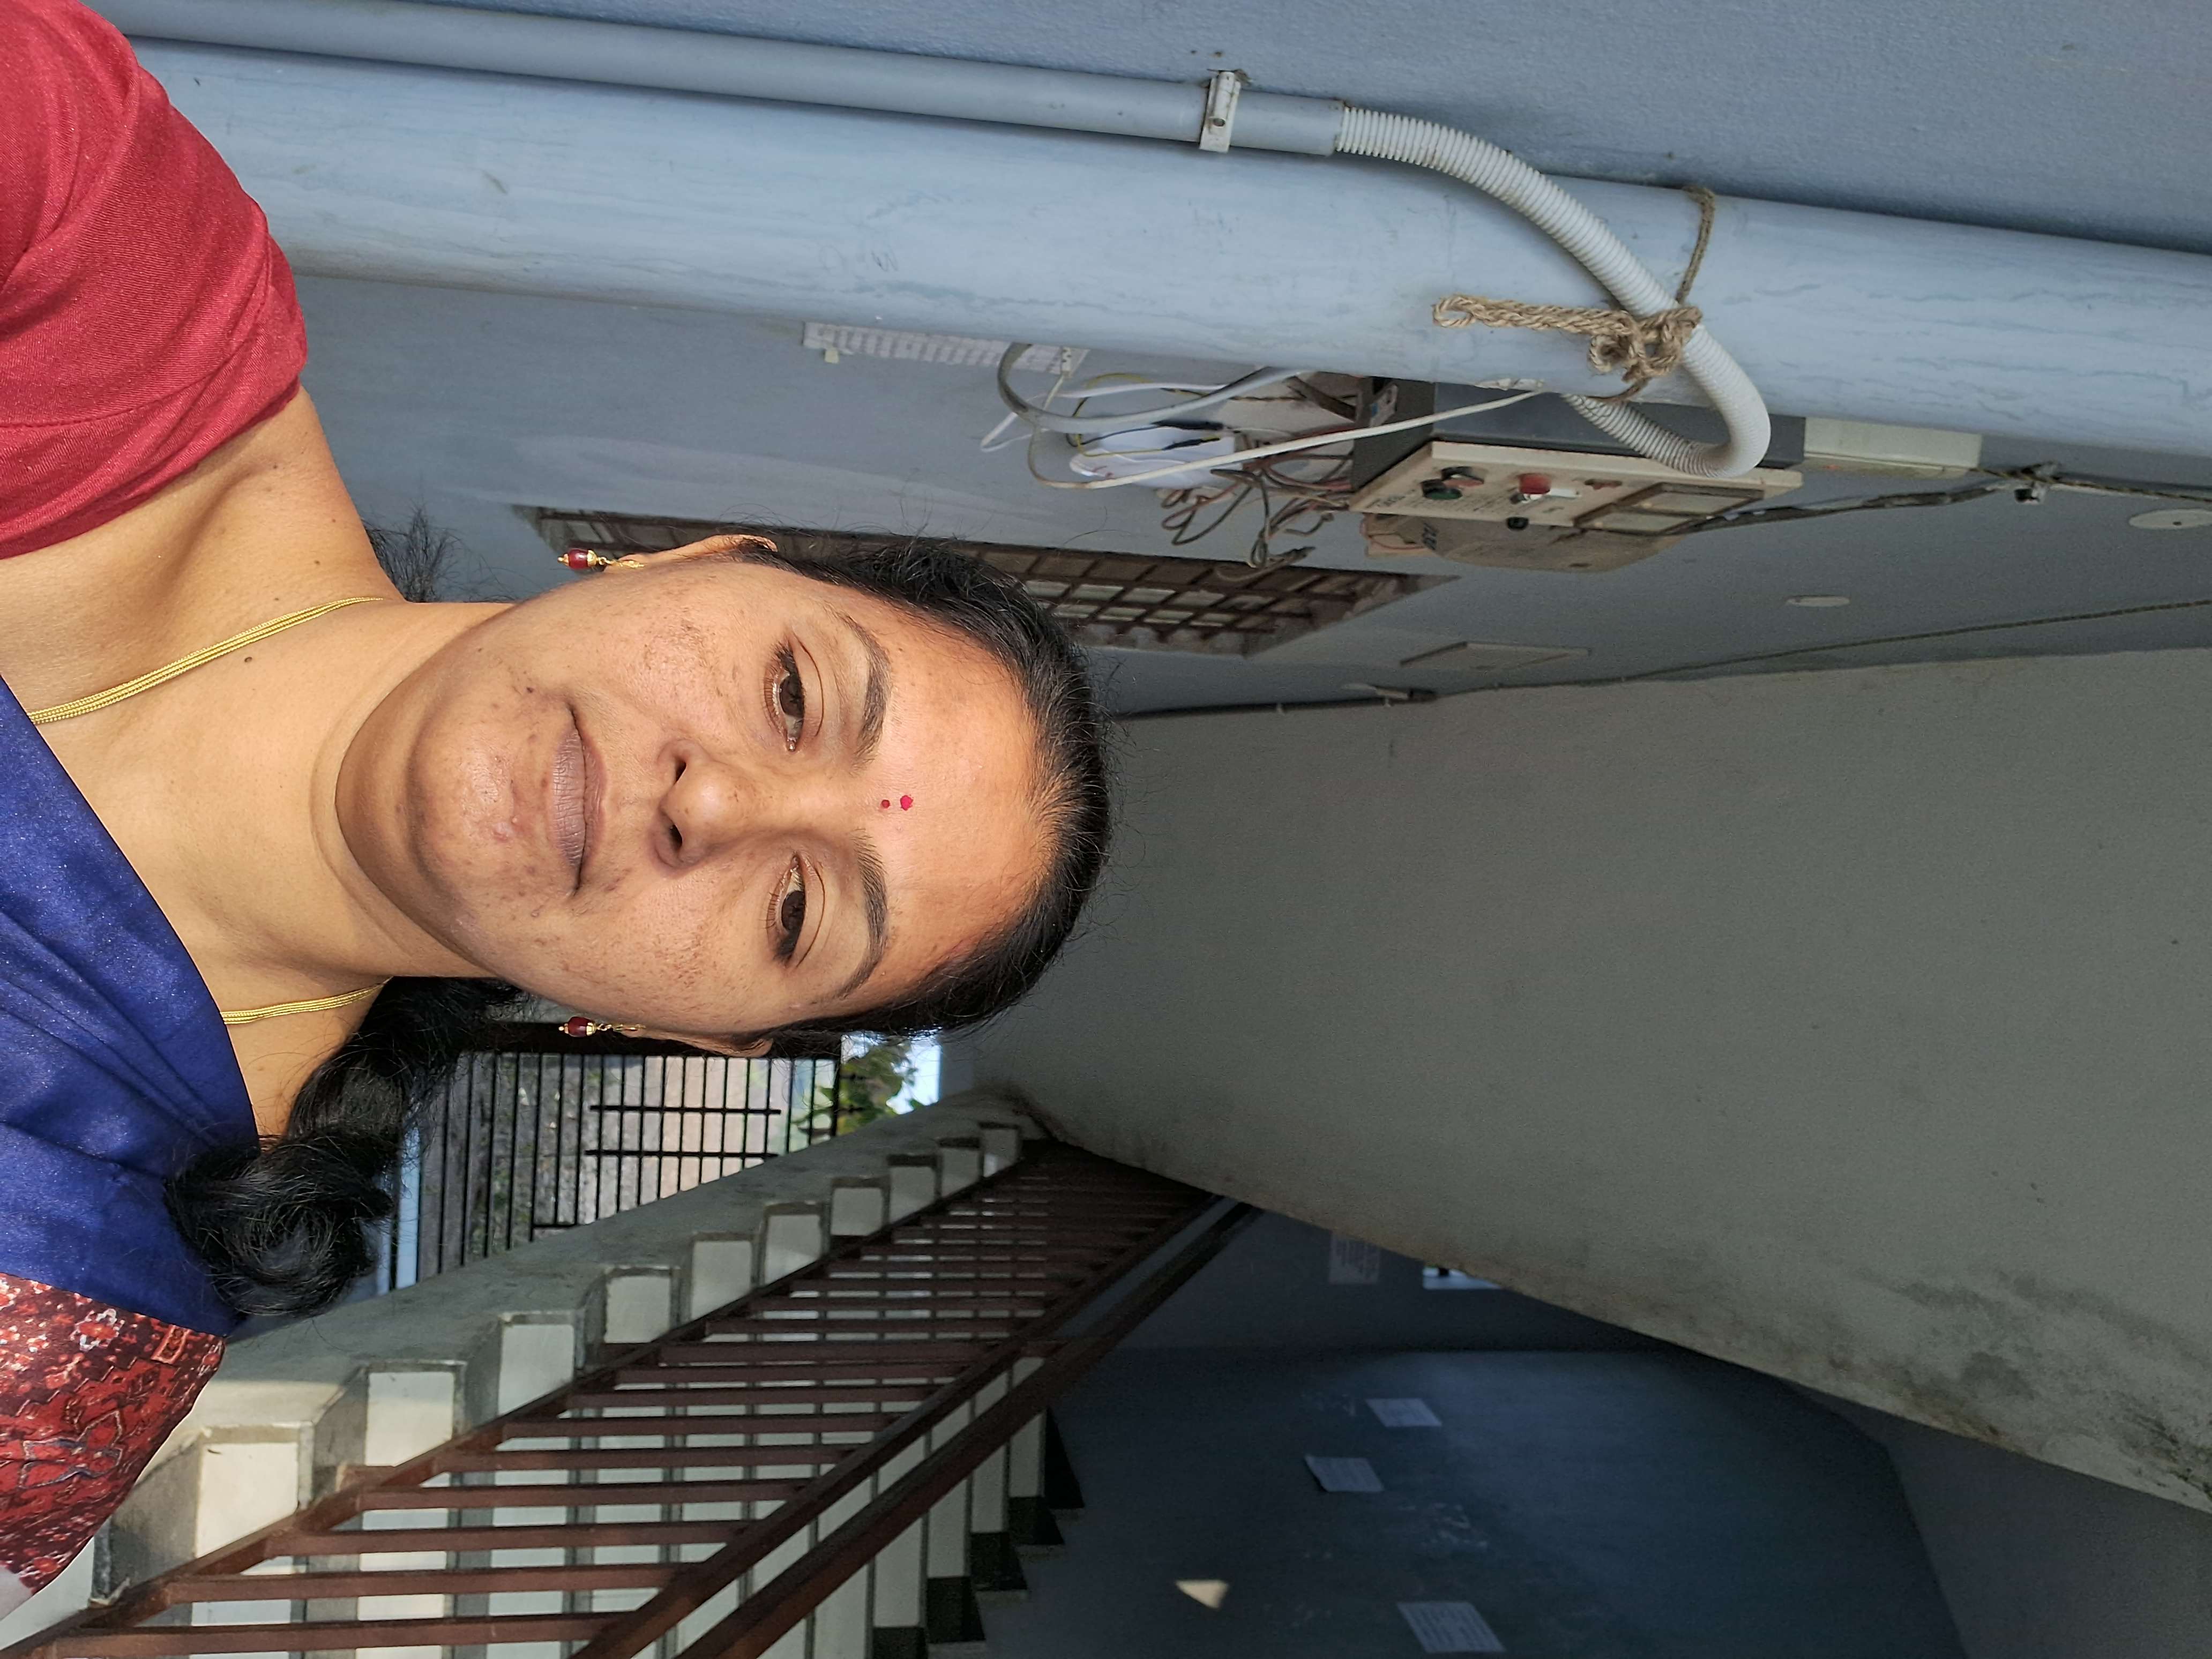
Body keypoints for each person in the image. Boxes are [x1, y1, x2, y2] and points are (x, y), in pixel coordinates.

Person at [0, 0, 1109, 1611]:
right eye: (793, 693)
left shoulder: (53, 1327)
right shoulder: (92, 243)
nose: (717, 800)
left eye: (797, 910)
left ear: (698, 1032)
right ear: (699, 554)